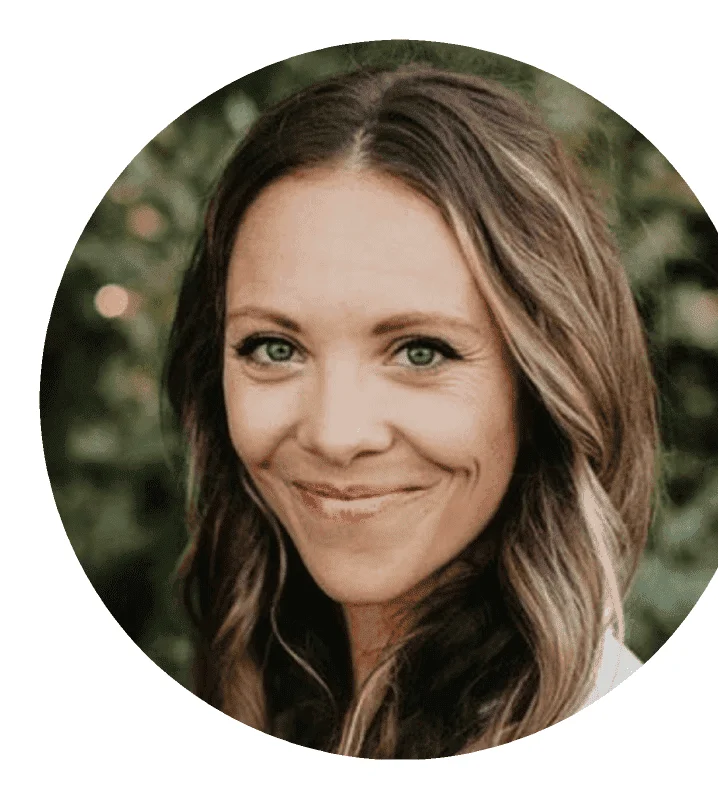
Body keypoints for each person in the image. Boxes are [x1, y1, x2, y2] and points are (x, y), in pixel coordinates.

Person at [163, 62, 659, 759]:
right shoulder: (262, 697)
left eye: (421, 352)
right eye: (274, 348)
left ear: (548, 382)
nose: (336, 434)